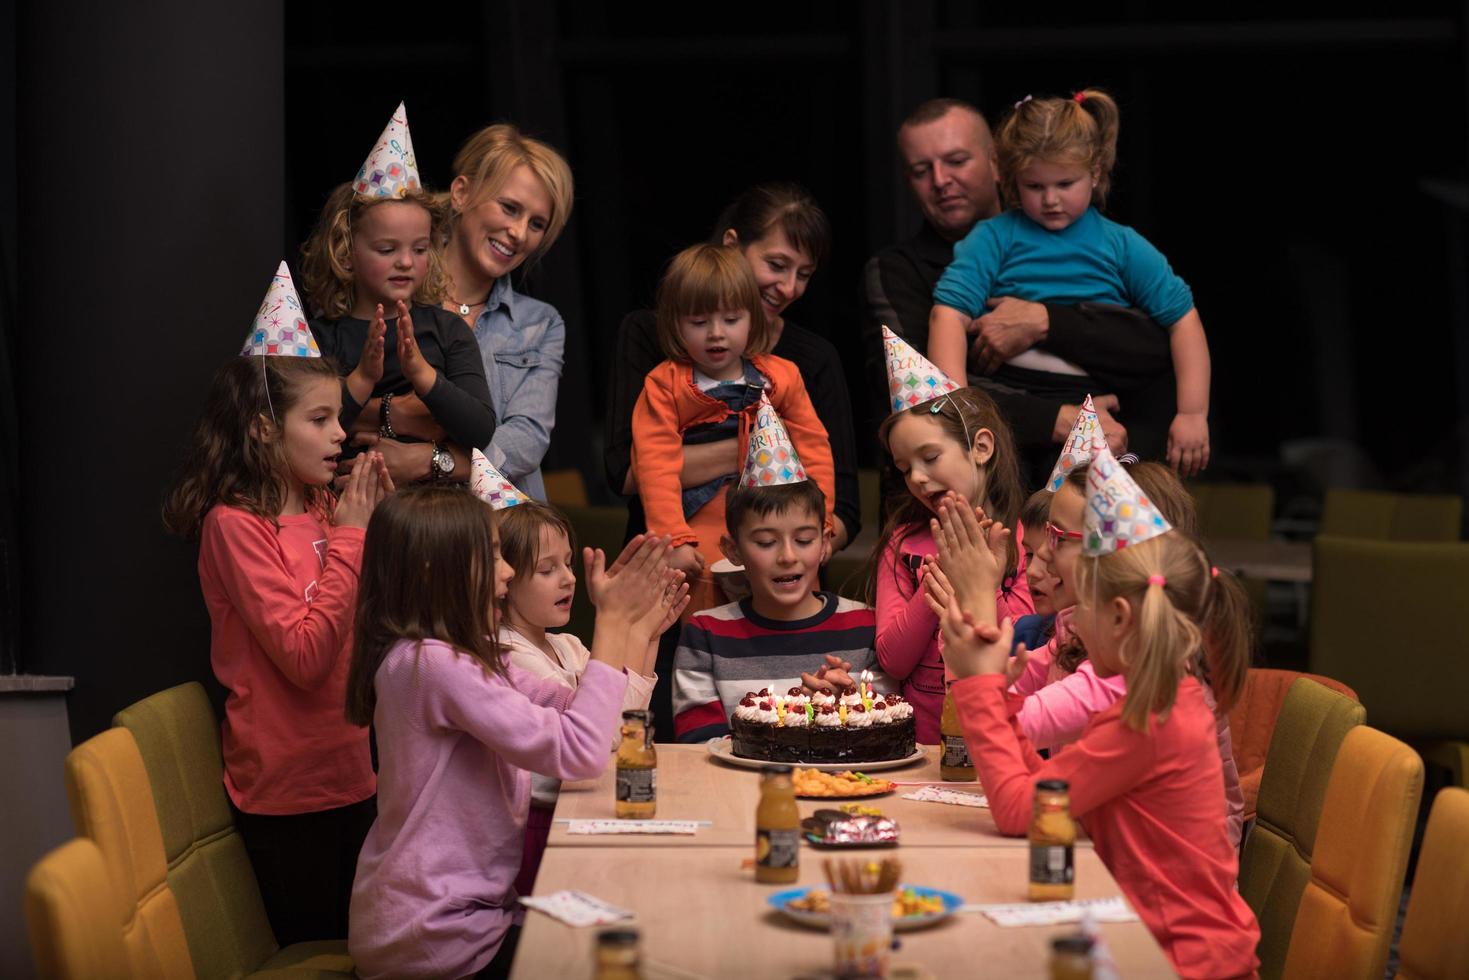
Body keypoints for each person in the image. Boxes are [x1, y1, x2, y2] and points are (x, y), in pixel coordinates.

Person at [940, 448, 1259, 978]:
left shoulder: (1149, 718)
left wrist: (978, 687)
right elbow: (1048, 792)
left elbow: (1021, 811)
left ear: (1118, 615)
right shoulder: (1150, 697)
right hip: (1141, 935)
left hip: (1176, 961)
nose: (1075, 627)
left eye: (1081, 609)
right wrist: (998, 699)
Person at [345, 487, 684, 980]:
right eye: (493, 556)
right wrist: (610, 620)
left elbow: (587, 714)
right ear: (434, 570)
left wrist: (635, 626)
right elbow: (582, 752)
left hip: (459, 918)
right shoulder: (435, 664)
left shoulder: (463, 655)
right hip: (435, 936)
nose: (507, 572)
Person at [162, 267, 395, 944]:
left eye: (338, 419)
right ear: (264, 430)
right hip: (290, 796)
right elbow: (302, 656)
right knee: (326, 949)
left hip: (354, 772)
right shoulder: (236, 526)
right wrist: (352, 538)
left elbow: (362, 624)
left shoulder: (327, 509)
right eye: (318, 419)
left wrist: (371, 534)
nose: (337, 435)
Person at [862, 97, 1174, 484]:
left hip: (1087, 471)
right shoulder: (897, 271)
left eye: (957, 161)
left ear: (998, 164)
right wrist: (1054, 417)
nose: (940, 180)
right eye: (921, 170)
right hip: (967, 493)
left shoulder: (1079, 240)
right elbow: (925, 389)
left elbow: (1154, 348)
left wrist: (1046, 321)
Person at [928, 90, 1212, 476]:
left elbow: (1183, 320)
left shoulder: (1121, 244)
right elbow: (947, 314)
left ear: (1095, 174)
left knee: (1083, 504)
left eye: (1065, 183)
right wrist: (960, 404)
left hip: (1093, 400)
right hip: (1015, 398)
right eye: (1034, 186)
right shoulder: (993, 237)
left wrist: (1192, 413)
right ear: (1013, 179)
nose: (1050, 200)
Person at [607, 182, 861, 551]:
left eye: (804, 274)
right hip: (677, 554)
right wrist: (769, 447)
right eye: (776, 265)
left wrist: (796, 550)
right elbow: (629, 474)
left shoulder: (807, 362)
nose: (789, 288)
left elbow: (844, 508)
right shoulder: (652, 341)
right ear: (731, 245)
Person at [631, 243, 835, 618]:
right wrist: (674, 538)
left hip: (781, 521)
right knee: (709, 615)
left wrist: (821, 524)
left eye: (730, 319)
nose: (716, 334)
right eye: (698, 322)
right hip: (701, 524)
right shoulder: (665, 385)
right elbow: (654, 466)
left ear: (753, 319)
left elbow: (815, 449)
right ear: (675, 323)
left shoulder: (783, 376)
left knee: (791, 611)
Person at [494, 496, 685, 895]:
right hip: (541, 824)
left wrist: (644, 632)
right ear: (503, 582)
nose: (568, 578)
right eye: (547, 569)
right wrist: (625, 627)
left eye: (567, 562)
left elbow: (627, 721)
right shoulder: (509, 657)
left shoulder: (568, 647)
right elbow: (606, 735)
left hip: (581, 805)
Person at [301, 104, 495, 486]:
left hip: (439, 514)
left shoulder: (448, 331)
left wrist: (421, 375)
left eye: (420, 250)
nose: (406, 262)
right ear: (346, 251)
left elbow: (480, 431)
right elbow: (302, 433)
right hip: (351, 506)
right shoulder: (321, 337)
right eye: (387, 250)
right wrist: (362, 378)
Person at [671, 410, 886, 742]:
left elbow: (887, 733)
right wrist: (793, 720)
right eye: (766, 542)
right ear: (733, 550)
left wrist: (846, 710)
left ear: (825, 543)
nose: (788, 556)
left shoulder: (866, 625)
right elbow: (698, 748)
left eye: (803, 540)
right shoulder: (705, 635)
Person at [871, 330, 1030, 742]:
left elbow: (1025, 648)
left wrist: (983, 581)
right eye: (905, 468)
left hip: (1006, 736)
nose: (918, 479)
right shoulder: (903, 544)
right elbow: (893, 660)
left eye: (930, 457)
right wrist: (937, 578)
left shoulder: (1027, 538)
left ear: (980, 447)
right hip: (921, 744)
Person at [440, 123, 576, 502]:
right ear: (461, 193)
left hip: (510, 533)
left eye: (536, 224)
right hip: (411, 528)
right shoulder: (403, 299)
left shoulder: (540, 323)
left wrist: (433, 460)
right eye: (510, 208)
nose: (518, 232)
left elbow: (526, 439)